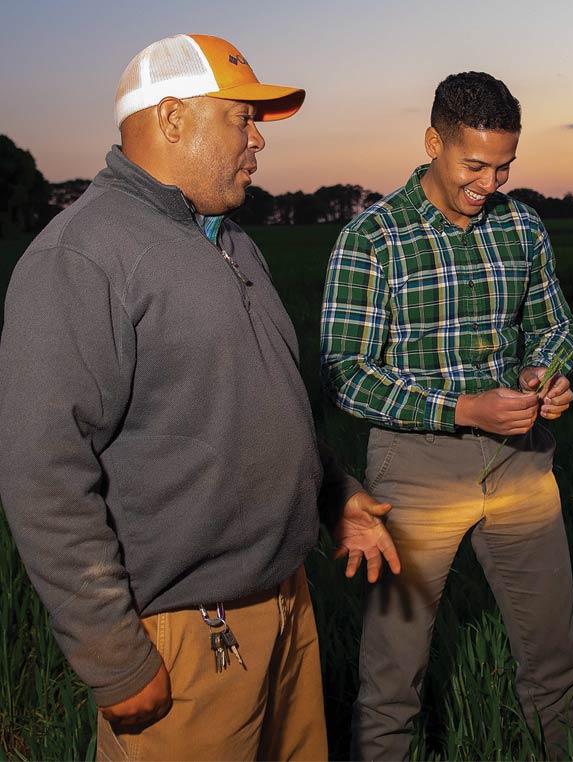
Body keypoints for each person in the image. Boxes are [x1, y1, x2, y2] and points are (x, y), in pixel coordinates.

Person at [0, 34, 399, 761]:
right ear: (174, 117)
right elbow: (41, 472)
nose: (258, 142)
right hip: (187, 636)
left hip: (285, 605)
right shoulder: (82, 257)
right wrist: (111, 655)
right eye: (242, 119)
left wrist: (331, 493)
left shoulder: (234, 242)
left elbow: (255, 399)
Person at [320, 71, 573, 759]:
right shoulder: (371, 238)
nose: (491, 183)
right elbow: (348, 376)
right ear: (434, 141)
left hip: (522, 464)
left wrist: (548, 374)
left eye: (504, 167)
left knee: (553, 661)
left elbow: (555, 327)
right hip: (415, 471)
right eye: (475, 165)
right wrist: (464, 406)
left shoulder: (522, 225)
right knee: (391, 679)